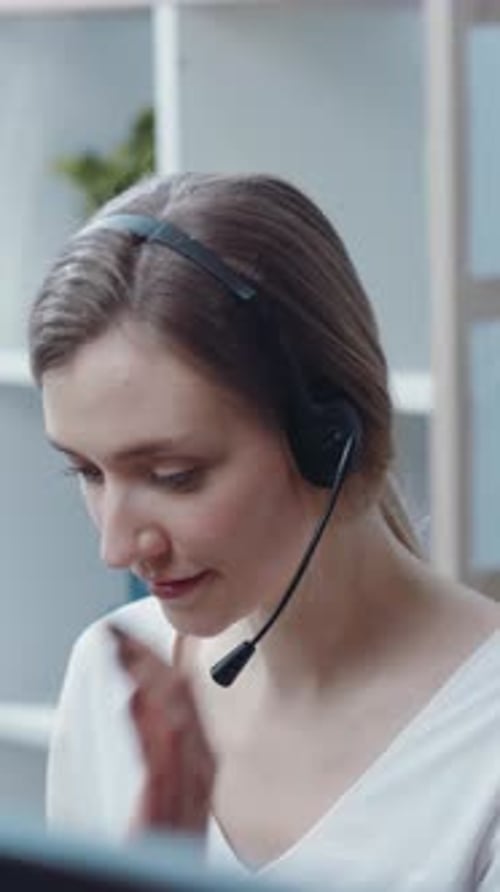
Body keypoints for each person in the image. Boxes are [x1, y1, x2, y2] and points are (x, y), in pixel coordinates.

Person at [29, 173, 500, 891]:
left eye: (174, 474)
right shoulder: (109, 682)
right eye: (87, 474)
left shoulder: (484, 742)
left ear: (328, 437)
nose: (118, 548)